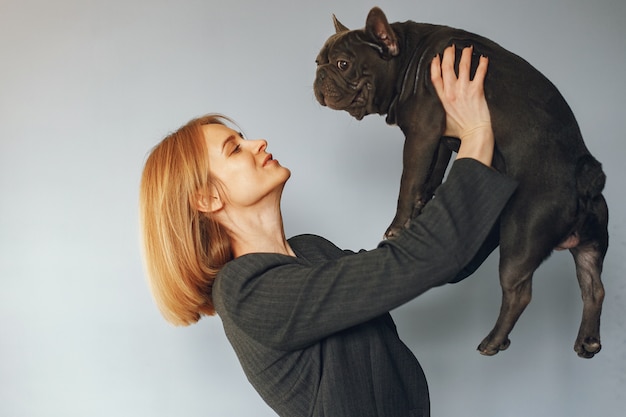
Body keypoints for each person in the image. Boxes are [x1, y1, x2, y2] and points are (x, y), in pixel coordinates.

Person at [139, 46, 517, 417]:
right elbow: (412, 263)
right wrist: (477, 131)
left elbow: (439, 262)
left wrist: (532, 210)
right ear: (206, 198)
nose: (258, 144)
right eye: (234, 149)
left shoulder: (311, 252)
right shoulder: (243, 291)